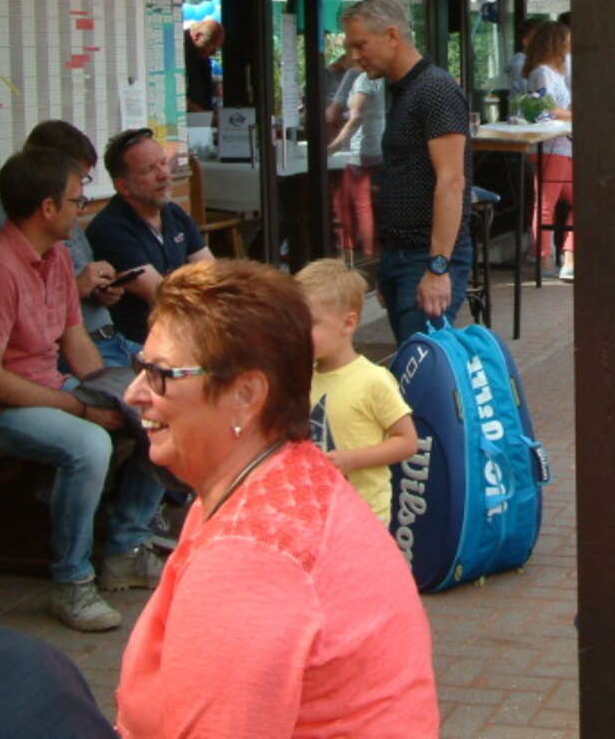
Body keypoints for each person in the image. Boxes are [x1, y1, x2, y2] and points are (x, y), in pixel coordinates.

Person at [117, 260, 439, 736]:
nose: (133, 393)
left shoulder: (249, 557)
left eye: (160, 373)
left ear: (246, 394)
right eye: (139, 367)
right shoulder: (279, 474)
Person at [0, 149, 164, 633]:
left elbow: (75, 339)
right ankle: (71, 580)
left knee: (157, 409)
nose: (81, 209)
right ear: (46, 207)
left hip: (48, 387)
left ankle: (125, 547)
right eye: (76, 200)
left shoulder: (55, 255)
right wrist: (81, 408)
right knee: (89, 443)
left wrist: (112, 393)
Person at [341, 0, 473, 343]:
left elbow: (451, 182)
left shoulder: (435, 89)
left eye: (360, 45)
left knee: (423, 364)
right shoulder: (402, 89)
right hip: (402, 254)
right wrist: (388, 266)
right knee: (412, 358)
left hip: (425, 255)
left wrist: (438, 267)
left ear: (392, 35)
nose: (354, 57)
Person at [0, 121, 141, 369]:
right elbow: (21, 326)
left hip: (106, 339)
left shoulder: (61, 229)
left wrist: (102, 290)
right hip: (62, 357)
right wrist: (76, 287)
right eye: (77, 179)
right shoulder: (0, 239)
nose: (81, 198)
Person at [295, 260, 418, 523]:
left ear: (348, 323)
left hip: (364, 518)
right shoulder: (302, 377)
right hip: (316, 514)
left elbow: (407, 441)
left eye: (310, 323)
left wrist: (354, 459)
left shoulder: (373, 380)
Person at [86, 129, 214, 345]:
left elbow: (212, 275)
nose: (164, 174)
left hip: (185, 333)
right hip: (142, 345)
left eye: (163, 163)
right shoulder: (110, 229)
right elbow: (163, 297)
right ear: (123, 186)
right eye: (149, 169)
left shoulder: (174, 213)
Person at [523, 21, 575, 281]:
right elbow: (546, 108)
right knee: (546, 204)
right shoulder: (543, 72)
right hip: (551, 145)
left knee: (567, 201)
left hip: (561, 144)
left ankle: (565, 256)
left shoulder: (552, 71)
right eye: (566, 40)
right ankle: (545, 257)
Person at [328, 69, 385, 261]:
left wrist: (332, 147)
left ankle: (363, 253)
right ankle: (361, 251)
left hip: (363, 150)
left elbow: (356, 118)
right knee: (354, 201)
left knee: (354, 204)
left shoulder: (364, 79)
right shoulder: (384, 78)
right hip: (379, 147)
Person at [183, 19, 223, 113]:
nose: (213, 53)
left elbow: (200, 81)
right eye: (211, 47)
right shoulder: (177, 50)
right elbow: (173, 94)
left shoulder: (200, 50)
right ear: (198, 36)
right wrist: (202, 114)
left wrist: (215, 88)